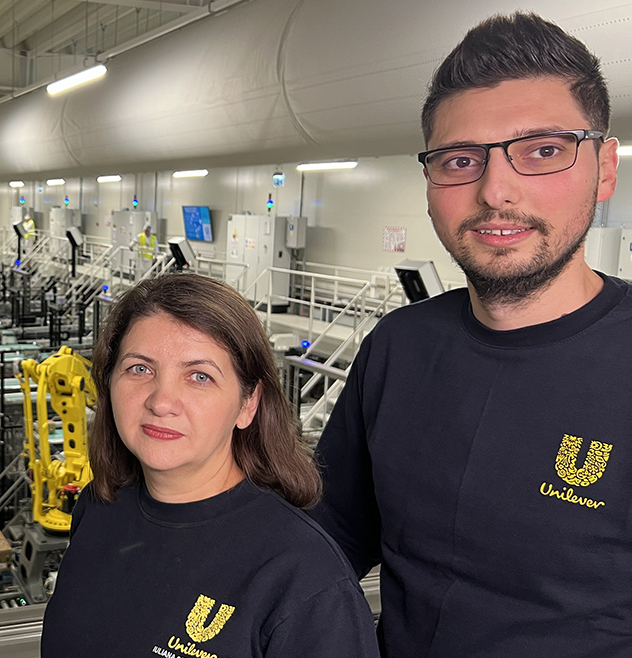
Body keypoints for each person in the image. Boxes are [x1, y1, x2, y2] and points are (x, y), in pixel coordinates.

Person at [309, 12, 629, 658]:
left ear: (603, 170)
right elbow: (330, 536)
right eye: (461, 160)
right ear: (430, 186)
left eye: (543, 150)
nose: (495, 190)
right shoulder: (399, 347)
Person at [41, 273, 377, 657]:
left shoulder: (305, 578)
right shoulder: (98, 508)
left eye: (199, 376)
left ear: (248, 404)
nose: (161, 401)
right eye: (139, 369)